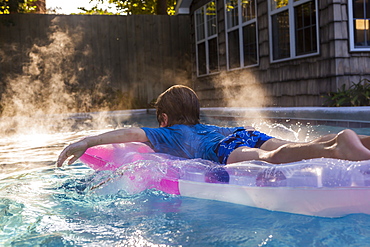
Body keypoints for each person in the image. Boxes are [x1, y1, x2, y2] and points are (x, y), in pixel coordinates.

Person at [57, 85, 370, 167]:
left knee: (270, 159)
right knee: (290, 146)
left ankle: (342, 143)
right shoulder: (206, 125)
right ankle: (356, 139)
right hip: (243, 133)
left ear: (163, 119)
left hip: (225, 149)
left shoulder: (165, 133)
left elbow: (131, 133)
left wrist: (88, 140)